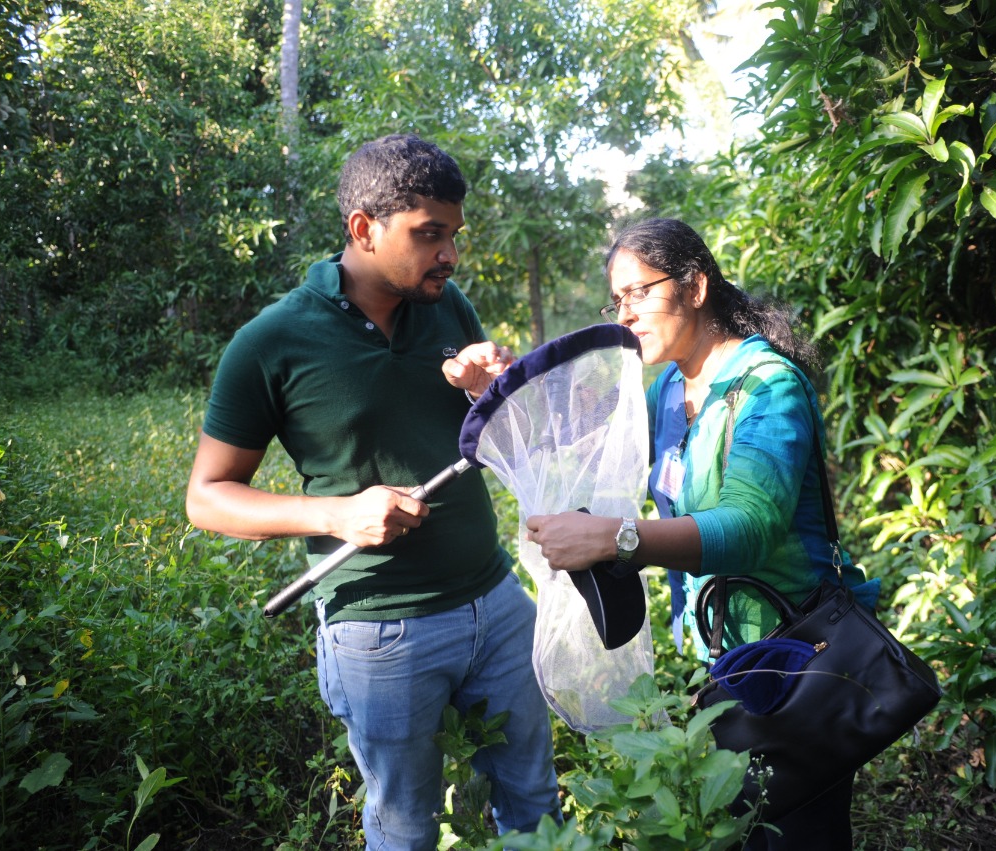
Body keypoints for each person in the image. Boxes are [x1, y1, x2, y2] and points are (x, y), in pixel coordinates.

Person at [186, 134, 561, 851]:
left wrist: (484, 390)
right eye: (429, 234)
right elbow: (207, 495)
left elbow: (496, 433)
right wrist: (340, 514)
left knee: (535, 801)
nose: (449, 255)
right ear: (363, 227)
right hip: (381, 631)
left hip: (498, 602)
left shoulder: (449, 308)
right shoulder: (272, 342)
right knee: (403, 824)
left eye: (452, 235)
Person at [524, 217, 876, 850]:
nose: (625, 314)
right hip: (717, 661)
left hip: (793, 653)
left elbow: (750, 525)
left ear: (694, 286)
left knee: (798, 832)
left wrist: (616, 539)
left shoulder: (766, 387)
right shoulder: (669, 393)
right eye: (617, 299)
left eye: (639, 292)